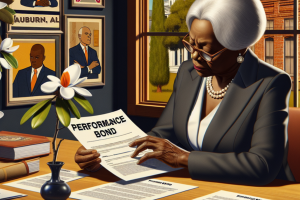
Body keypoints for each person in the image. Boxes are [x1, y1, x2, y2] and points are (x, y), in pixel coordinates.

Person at [74, 0, 295, 185]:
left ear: (239, 47)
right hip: (190, 185)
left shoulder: (271, 83)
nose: (194, 57)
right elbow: (163, 135)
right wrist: (105, 155)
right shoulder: (188, 72)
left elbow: (262, 165)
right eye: (191, 44)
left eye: (206, 50)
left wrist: (183, 158)